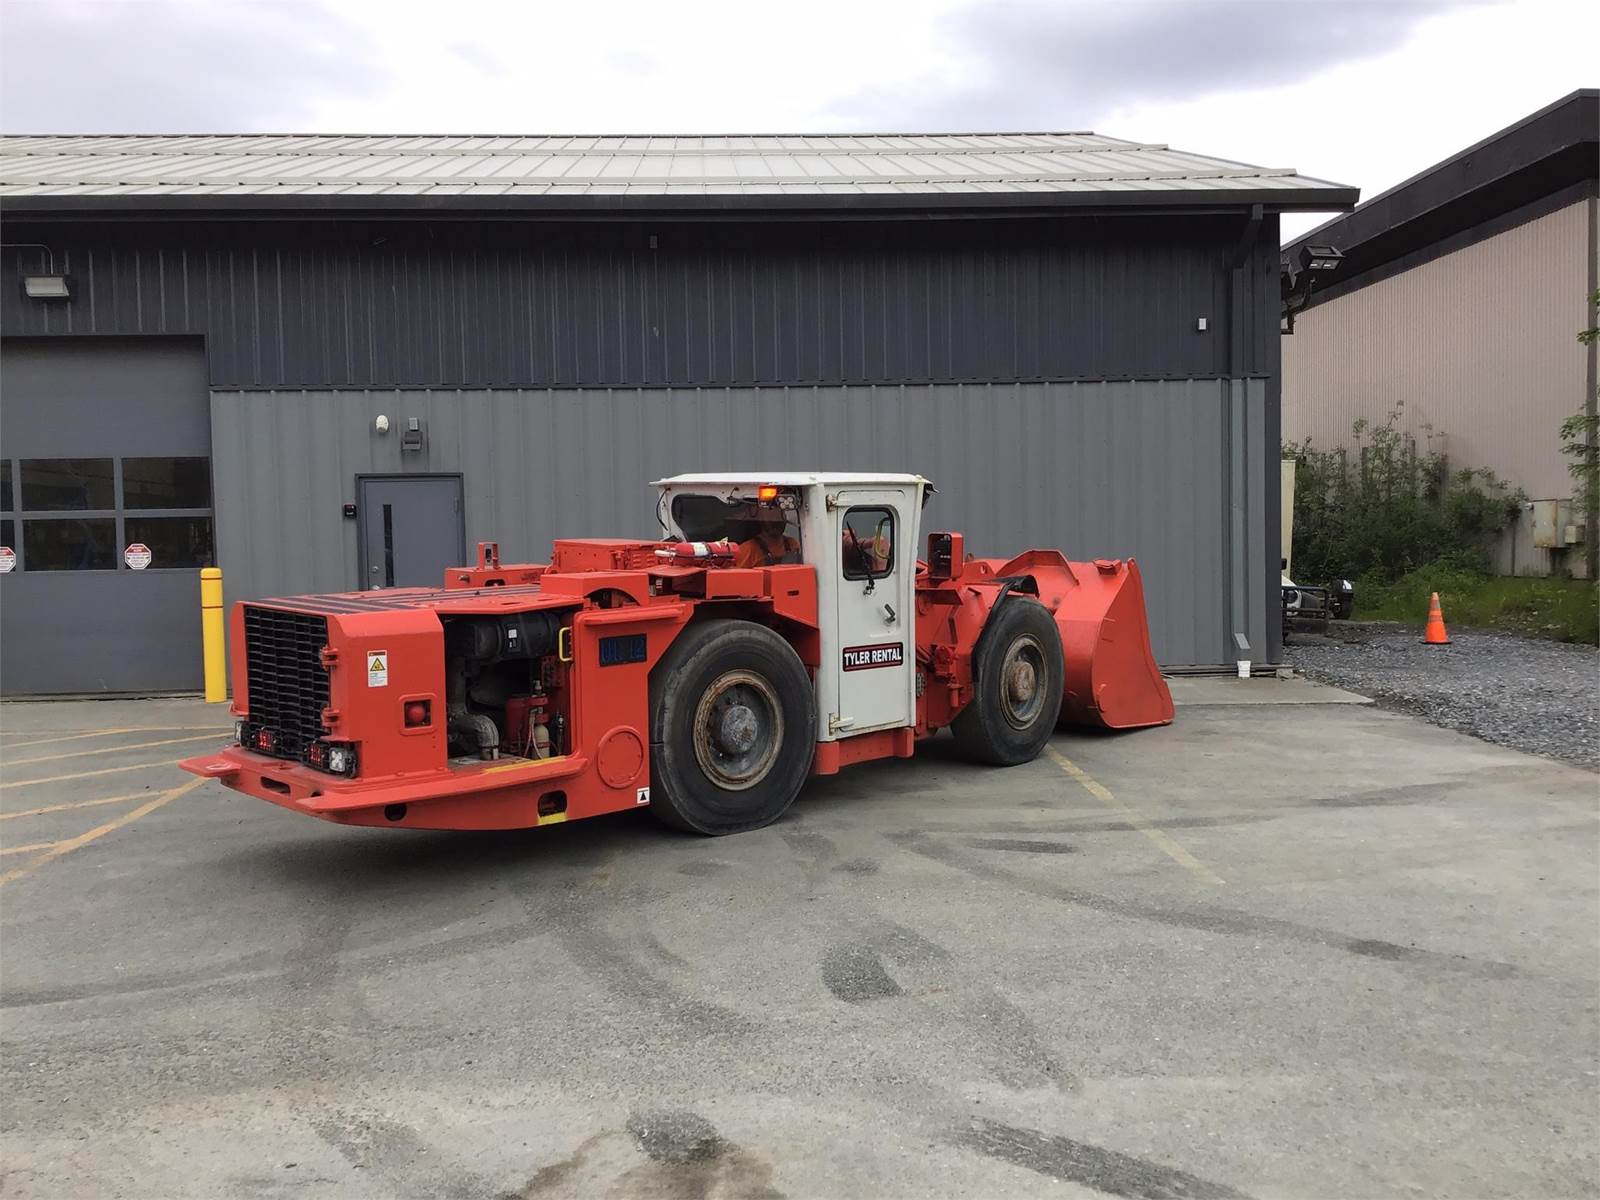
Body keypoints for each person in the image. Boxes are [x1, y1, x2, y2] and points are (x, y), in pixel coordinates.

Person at [734, 506, 800, 568]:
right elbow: (737, 578)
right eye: (771, 518)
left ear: (785, 520)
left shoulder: (792, 544)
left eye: (779, 519)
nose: (775, 522)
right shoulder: (748, 549)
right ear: (761, 520)